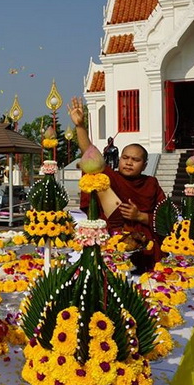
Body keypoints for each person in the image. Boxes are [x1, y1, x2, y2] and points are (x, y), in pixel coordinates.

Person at [67, 96, 166, 272]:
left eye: (135, 160)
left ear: (144, 165)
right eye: (125, 158)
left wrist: (140, 216)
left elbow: (167, 218)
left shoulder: (151, 183)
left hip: (145, 245)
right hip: (113, 243)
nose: (129, 163)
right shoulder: (111, 178)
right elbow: (90, 155)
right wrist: (80, 126)